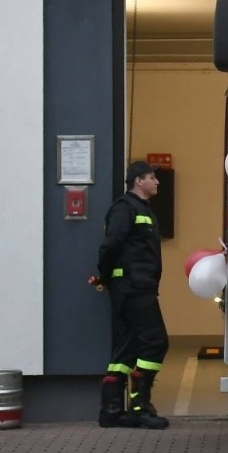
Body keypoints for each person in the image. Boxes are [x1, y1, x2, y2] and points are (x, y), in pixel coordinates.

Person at [92, 160, 171, 430]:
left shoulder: (142, 210)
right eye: (151, 177)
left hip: (135, 287)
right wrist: (104, 276)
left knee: (126, 349)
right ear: (138, 181)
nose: (157, 182)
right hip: (133, 287)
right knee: (155, 342)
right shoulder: (125, 209)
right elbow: (110, 245)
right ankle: (139, 407)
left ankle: (111, 411)